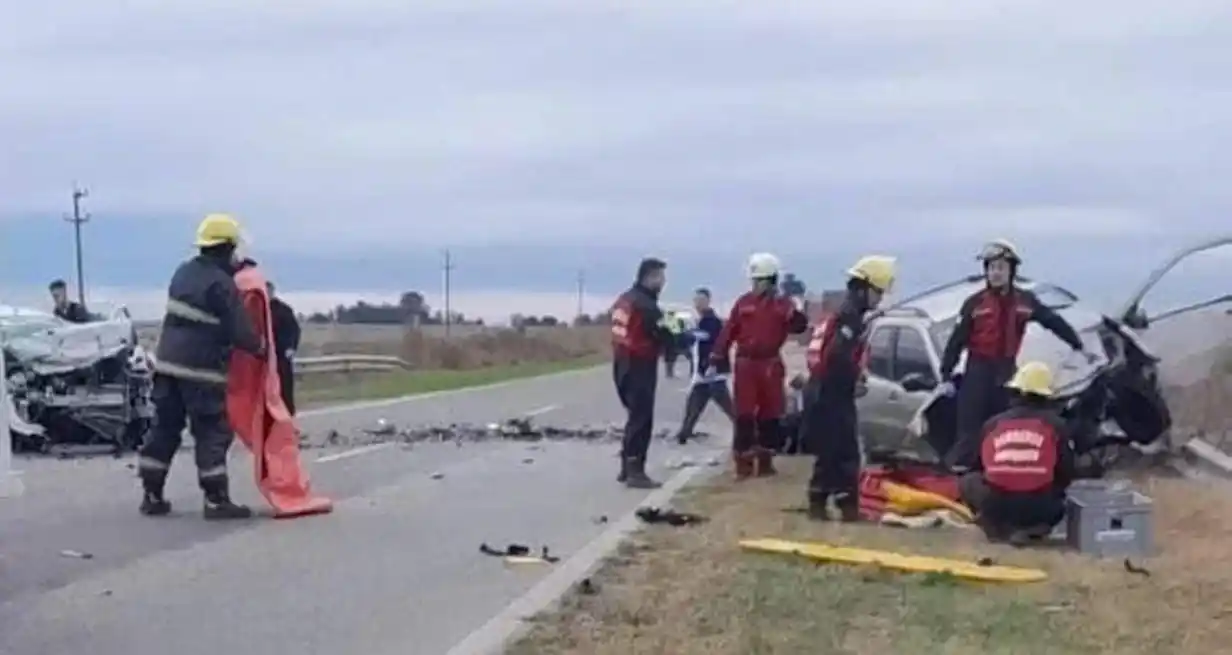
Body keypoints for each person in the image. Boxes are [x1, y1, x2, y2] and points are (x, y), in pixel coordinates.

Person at [137, 213, 265, 520]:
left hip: (167, 367)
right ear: (226, 247)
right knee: (212, 431)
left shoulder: (183, 273)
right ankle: (216, 500)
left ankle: (151, 495)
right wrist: (261, 348)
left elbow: (202, 292)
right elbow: (239, 330)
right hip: (201, 371)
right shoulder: (222, 284)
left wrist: (234, 271)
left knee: (164, 428)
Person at [937, 239, 1095, 472]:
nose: (996, 273)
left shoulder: (1025, 301)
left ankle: (1000, 477)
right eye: (991, 268)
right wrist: (945, 374)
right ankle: (955, 481)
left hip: (1006, 371)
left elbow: (1053, 321)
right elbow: (956, 342)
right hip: (977, 371)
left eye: (1001, 268)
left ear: (1011, 271)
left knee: (1003, 429)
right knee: (969, 435)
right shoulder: (974, 304)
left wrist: (1078, 345)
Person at [804, 255, 897, 521]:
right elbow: (838, 356)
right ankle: (845, 507)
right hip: (832, 395)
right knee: (845, 453)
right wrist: (856, 377)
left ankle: (820, 502)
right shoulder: (850, 318)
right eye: (878, 292)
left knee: (830, 452)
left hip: (824, 391)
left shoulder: (846, 313)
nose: (879, 299)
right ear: (864, 288)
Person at [711, 253, 809, 479]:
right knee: (744, 414)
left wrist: (795, 309)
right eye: (753, 281)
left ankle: (765, 462)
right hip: (746, 364)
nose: (754, 285)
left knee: (770, 413)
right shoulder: (743, 303)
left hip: (771, 363)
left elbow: (799, 327)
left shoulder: (783, 305)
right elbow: (729, 330)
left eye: (758, 281)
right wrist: (718, 355)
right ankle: (743, 463)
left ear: (770, 281)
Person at [958, 361, 1075, 545]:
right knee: (1060, 495)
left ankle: (995, 526)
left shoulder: (993, 424)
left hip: (996, 504)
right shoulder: (1057, 426)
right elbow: (1067, 471)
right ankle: (1031, 528)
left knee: (968, 481)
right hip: (1041, 507)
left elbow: (979, 466)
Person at [610, 257, 679, 489]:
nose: (663, 282)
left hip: (621, 362)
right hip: (639, 364)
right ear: (649, 277)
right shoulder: (646, 305)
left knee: (634, 416)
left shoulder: (625, 299)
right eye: (660, 277)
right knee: (641, 418)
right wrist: (681, 340)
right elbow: (667, 334)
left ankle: (625, 466)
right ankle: (635, 470)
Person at [674, 288, 735, 444]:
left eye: (701, 300)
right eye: (696, 301)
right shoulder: (699, 322)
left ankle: (746, 431)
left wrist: (687, 331)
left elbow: (709, 339)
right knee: (693, 406)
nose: (698, 304)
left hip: (713, 372)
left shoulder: (713, 322)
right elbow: (687, 343)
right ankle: (683, 435)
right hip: (701, 375)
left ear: (708, 301)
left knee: (728, 407)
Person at [267, 281, 301, 415]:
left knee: (284, 390)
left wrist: (291, 347)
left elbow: (294, 330)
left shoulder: (283, 310)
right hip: (263, 357)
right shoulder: (256, 309)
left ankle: (287, 420)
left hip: (281, 356)